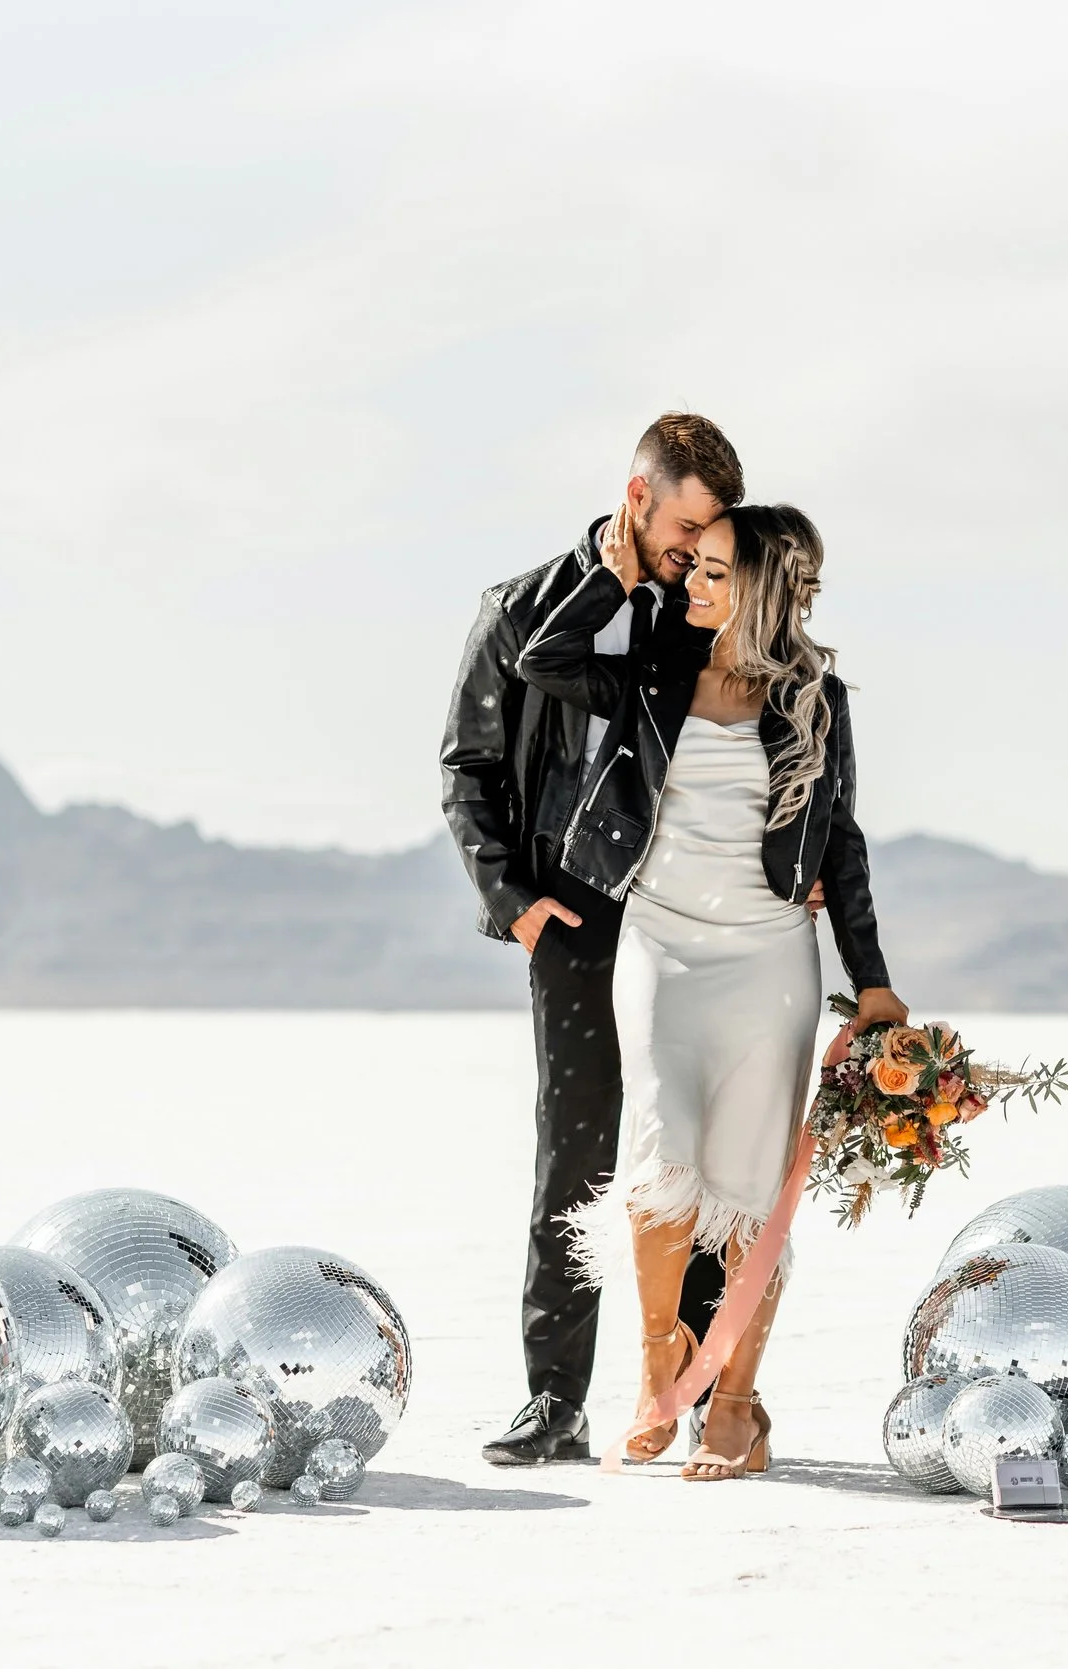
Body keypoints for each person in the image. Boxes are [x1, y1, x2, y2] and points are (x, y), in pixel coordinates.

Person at [514, 501, 908, 1479]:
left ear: (765, 587)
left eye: (716, 571)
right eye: (693, 566)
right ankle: (660, 1383)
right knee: (659, 1170)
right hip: (659, 947)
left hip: (769, 958)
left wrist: (873, 984)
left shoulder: (819, 699)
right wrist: (608, 577)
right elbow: (543, 660)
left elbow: (842, 843)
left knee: (744, 1189)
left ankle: (733, 1404)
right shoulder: (653, 669)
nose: (691, 580)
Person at [441, 414, 750, 1466]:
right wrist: (511, 897)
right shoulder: (518, 608)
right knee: (572, 1154)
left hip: (687, 919)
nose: (694, 544)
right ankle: (553, 1402)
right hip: (573, 918)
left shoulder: (704, 612)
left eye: (712, 529)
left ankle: (706, 1391)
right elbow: (467, 765)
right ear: (637, 494)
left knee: (699, 1155)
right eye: (685, 522)